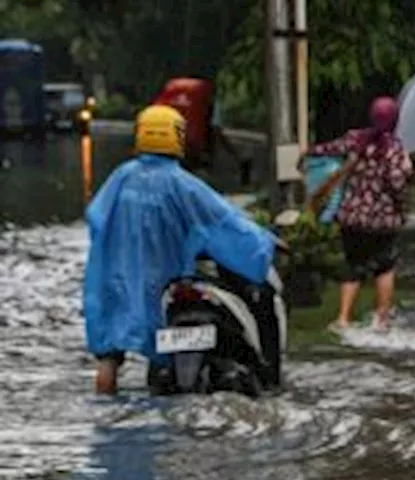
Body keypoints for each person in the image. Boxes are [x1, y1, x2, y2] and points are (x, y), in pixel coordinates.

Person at [84, 105, 278, 395]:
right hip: (168, 277)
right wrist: (266, 241)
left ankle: (104, 404)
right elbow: (225, 222)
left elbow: (97, 220)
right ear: (178, 137)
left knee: (109, 359)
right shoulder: (183, 184)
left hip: (120, 280)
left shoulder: (120, 179)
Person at [306, 96, 414, 331]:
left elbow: (329, 149)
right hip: (384, 220)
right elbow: (398, 184)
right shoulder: (395, 149)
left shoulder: (356, 139)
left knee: (353, 266)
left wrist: (307, 151)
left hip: (352, 217)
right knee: (384, 267)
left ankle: (343, 318)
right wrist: (403, 210)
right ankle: (381, 320)